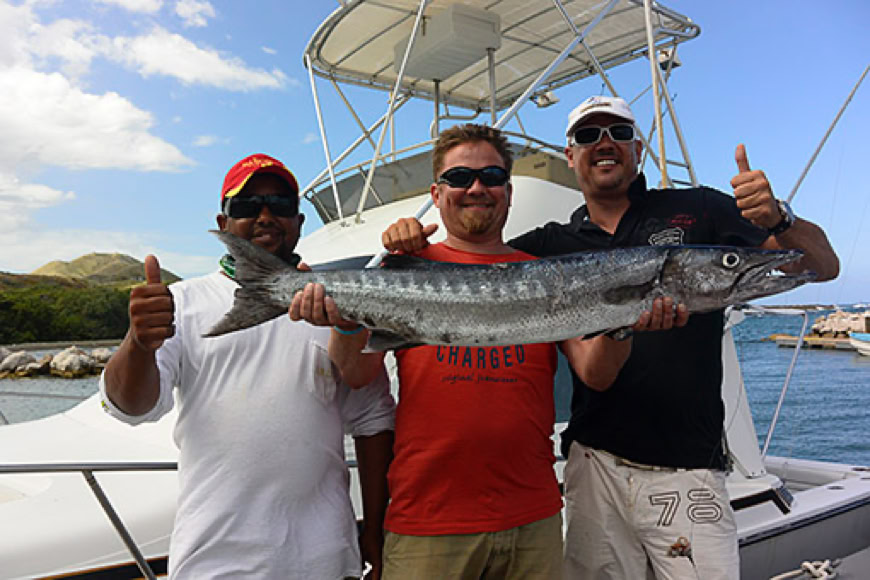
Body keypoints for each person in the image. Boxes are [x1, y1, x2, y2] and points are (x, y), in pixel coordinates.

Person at [382, 97, 839, 579]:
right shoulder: (545, 247)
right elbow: (477, 269)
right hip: (593, 466)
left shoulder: (698, 208)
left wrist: (779, 220)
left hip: (687, 469)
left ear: (637, 148)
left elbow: (818, 267)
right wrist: (410, 245)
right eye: (587, 136)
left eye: (619, 133)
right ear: (570, 155)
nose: (604, 143)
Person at [290, 124, 684, 580]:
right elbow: (357, 374)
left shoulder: (549, 276)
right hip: (427, 524)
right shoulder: (400, 266)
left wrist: (625, 324)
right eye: (459, 178)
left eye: (491, 177)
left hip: (532, 521)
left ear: (508, 193)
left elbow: (596, 374)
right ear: (437, 194)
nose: (476, 188)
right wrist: (341, 317)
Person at [100, 153, 396, 580]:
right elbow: (131, 408)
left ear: (298, 221)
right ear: (224, 224)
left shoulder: (337, 306)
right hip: (215, 563)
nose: (264, 216)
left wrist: (374, 532)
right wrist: (139, 342)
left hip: (327, 561)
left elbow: (373, 420)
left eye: (279, 206)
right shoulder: (182, 302)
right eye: (245, 206)